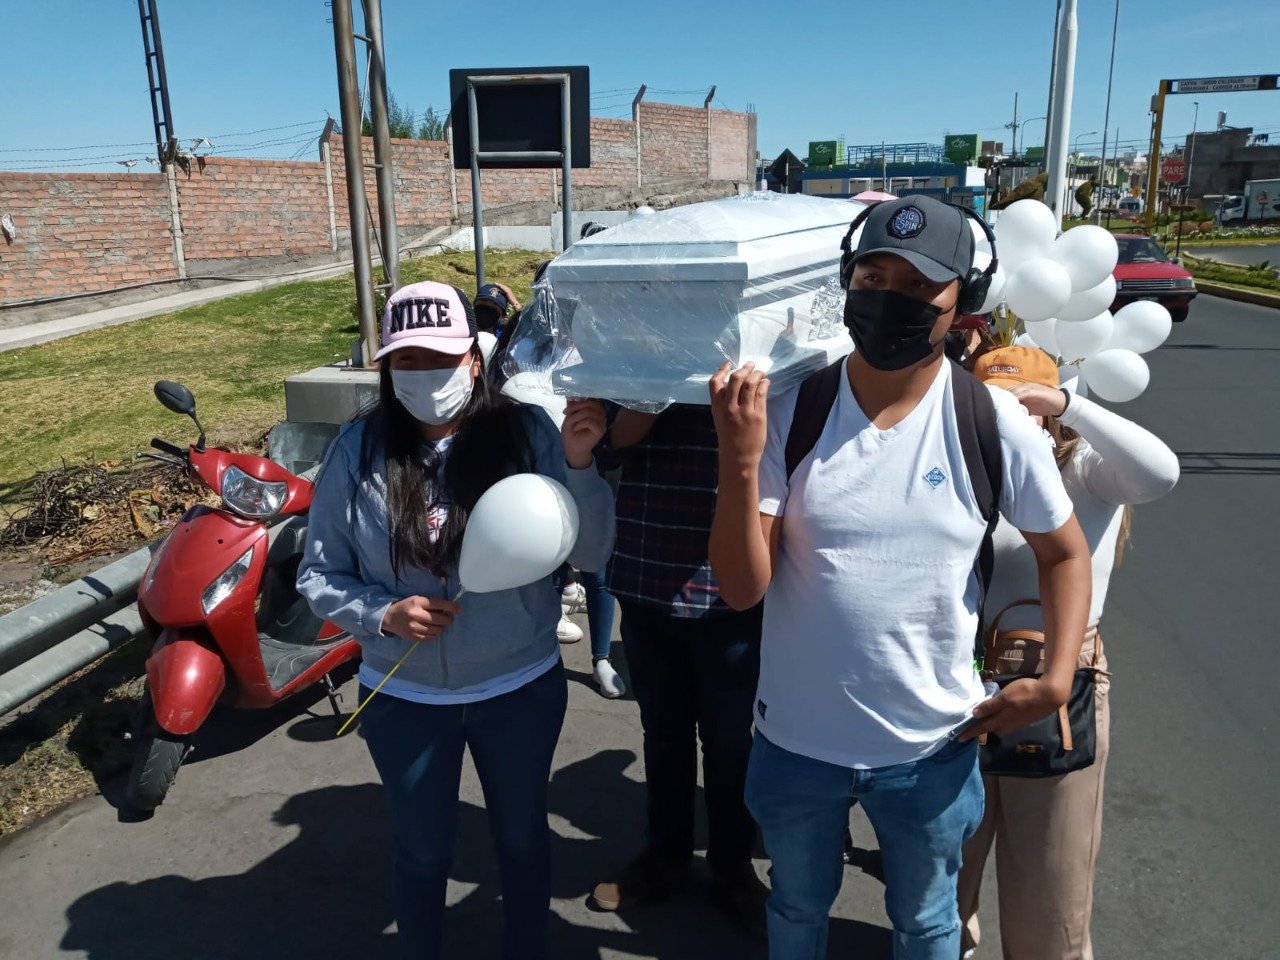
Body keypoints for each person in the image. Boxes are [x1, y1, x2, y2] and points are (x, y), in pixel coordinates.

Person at [707, 196, 1093, 960]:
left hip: (931, 749)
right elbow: (741, 589)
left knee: (925, 923)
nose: (892, 300)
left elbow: (1066, 551)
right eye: (874, 276)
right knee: (795, 909)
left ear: (964, 306)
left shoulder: (992, 422)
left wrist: (1055, 679)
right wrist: (740, 460)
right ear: (848, 283)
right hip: (794, 745)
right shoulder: (796, 409)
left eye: (921, 288)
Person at [296, 280, 615, 960]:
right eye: (406, 361)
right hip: (405, 699)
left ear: (474, 358)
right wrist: (382, 614)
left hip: (520, 689)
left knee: (524, 841)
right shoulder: (356, 451)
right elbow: (316, 575)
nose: (425, 375)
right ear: (386, 369)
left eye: (440, 357)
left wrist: (581, 465)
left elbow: (590, 552)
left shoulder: (529, 432)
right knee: (420, 853)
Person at [957, 345, 1179, 960]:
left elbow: (1161, 472)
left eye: (1024, 398)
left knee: (1051, 878)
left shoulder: (1086, 469)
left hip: (1064, 678)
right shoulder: (963, 460)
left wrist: (1068, 405)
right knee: (945, 862)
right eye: (993, 401)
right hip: (965, 672)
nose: (1011, 413)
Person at [589, 402, 768, 938]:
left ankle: (732, 864)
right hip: (647, 572)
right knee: (663, 735)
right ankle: (664, 856)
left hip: (731, 588)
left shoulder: (763, 340)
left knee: (731, 741)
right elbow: (606, 450)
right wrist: (652, 394)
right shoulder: (639, 341)